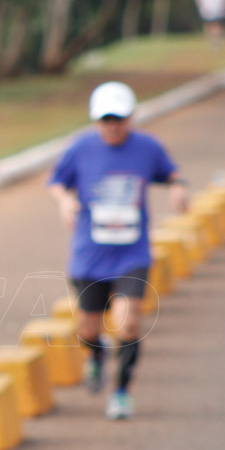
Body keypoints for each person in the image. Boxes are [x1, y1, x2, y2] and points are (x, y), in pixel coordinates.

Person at [49, 81, 188, 420]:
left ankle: (122, 391)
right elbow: (57, 181)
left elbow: (171, 173)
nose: (112, 126)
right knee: (88, 330)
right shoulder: (81, 148)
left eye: (119, 119)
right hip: (90, 255)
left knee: (127, 325)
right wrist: (66, 202)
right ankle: (95, 358)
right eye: (106, 120)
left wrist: (178, 188)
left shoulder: (147, 147)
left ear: (130, 117)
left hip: (132, 255)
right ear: (97, 121)